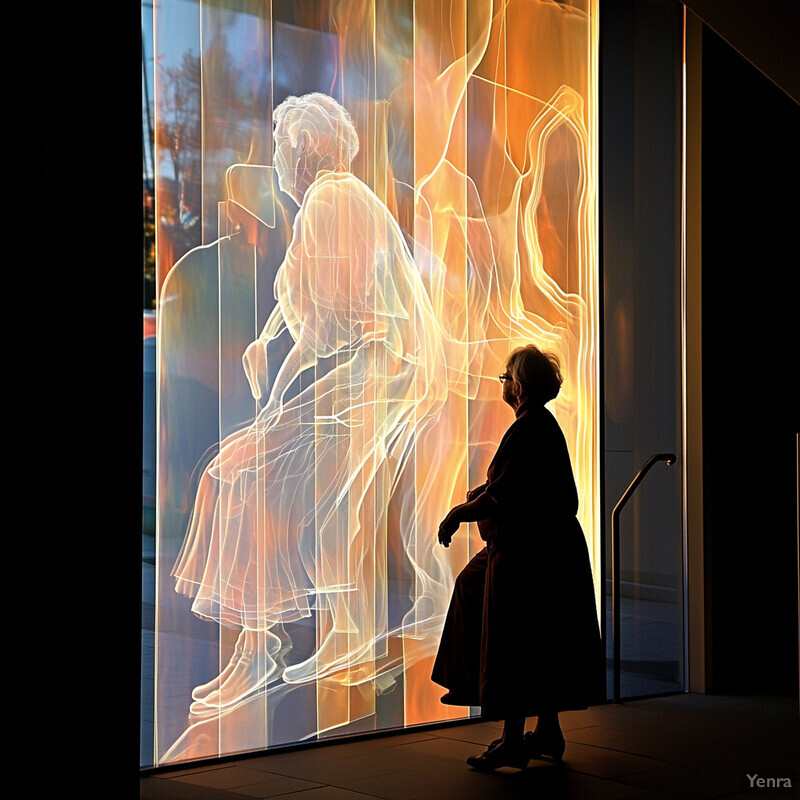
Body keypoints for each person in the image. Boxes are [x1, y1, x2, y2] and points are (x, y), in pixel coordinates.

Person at [431, 344, 603, 771]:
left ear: (519, 387)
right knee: (543, 640)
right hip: (552, 552)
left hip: (529, 555)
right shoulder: (541, 426)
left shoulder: (528, 429)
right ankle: (546, 731)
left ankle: (512, 739)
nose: (503, 384)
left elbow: (502, 494)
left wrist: (457, 514)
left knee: (515, 640)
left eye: (505, 378)